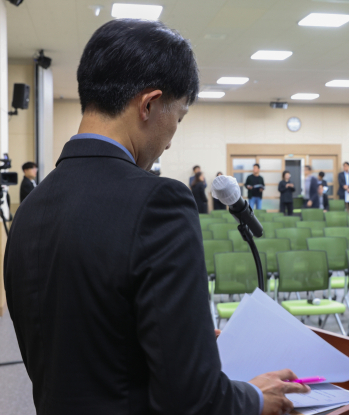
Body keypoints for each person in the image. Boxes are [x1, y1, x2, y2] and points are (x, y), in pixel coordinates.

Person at [4, 19, 308, 415]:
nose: (172, 137)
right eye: (178, 118)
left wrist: (184, 340)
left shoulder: (29, 210)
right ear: (148, 104)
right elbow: (192, 399)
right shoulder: (159, 202)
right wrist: (252, 397)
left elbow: (85, 342)